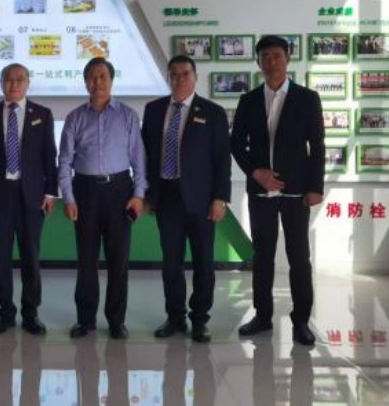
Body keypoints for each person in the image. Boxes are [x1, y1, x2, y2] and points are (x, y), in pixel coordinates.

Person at [231, 35, 325, 346]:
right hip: (261, 192)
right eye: (265, 56)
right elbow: (236, 144)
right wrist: (256, 172)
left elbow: (318, 146)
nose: (271, 61)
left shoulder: (307, 98)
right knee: (263, 256)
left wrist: (315, 187)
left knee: (299, 257)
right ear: (258, 62)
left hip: (296, 191)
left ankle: (302, 321)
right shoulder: (248, 101)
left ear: (288, 58)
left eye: (277, 55)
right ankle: (262, 316)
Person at [141, 55, 231, 343]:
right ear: (168, 77)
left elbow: (222, 159)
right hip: (166, 198)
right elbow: (144, 156)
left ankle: (200, 319)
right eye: (174, 74)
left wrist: (220, 198)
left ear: (195, 76)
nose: (179, 79)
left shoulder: (213, 112)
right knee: (171, 263)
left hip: (202, 201)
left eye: (185, 74)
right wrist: (145, 194)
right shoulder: (154, 110)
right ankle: (175, 317)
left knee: (204, 262)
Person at [58, 57, 146, 340]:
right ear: (85, 82)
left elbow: (139, 160)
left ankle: (116, 321)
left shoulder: (128, 116)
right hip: (84, 192)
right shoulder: (75, 118)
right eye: (92, 77)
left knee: (118, 260)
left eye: (102, 76)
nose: (97, 82)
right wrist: (68, 197)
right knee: (86, 260)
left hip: (120, 191)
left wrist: (138, 195)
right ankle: (85, 320)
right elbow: (64, 161)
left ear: (111, 80)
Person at [0, 63, 58, 336]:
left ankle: (31, 313)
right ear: (1, 83)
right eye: (9, 79)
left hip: (32, 196)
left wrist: (50, 192)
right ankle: (6, 314)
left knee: (30, 256)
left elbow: (50, 155)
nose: (14, 84)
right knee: (1, 257)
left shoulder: (42, 114)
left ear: (28, 82)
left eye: (19, 79)